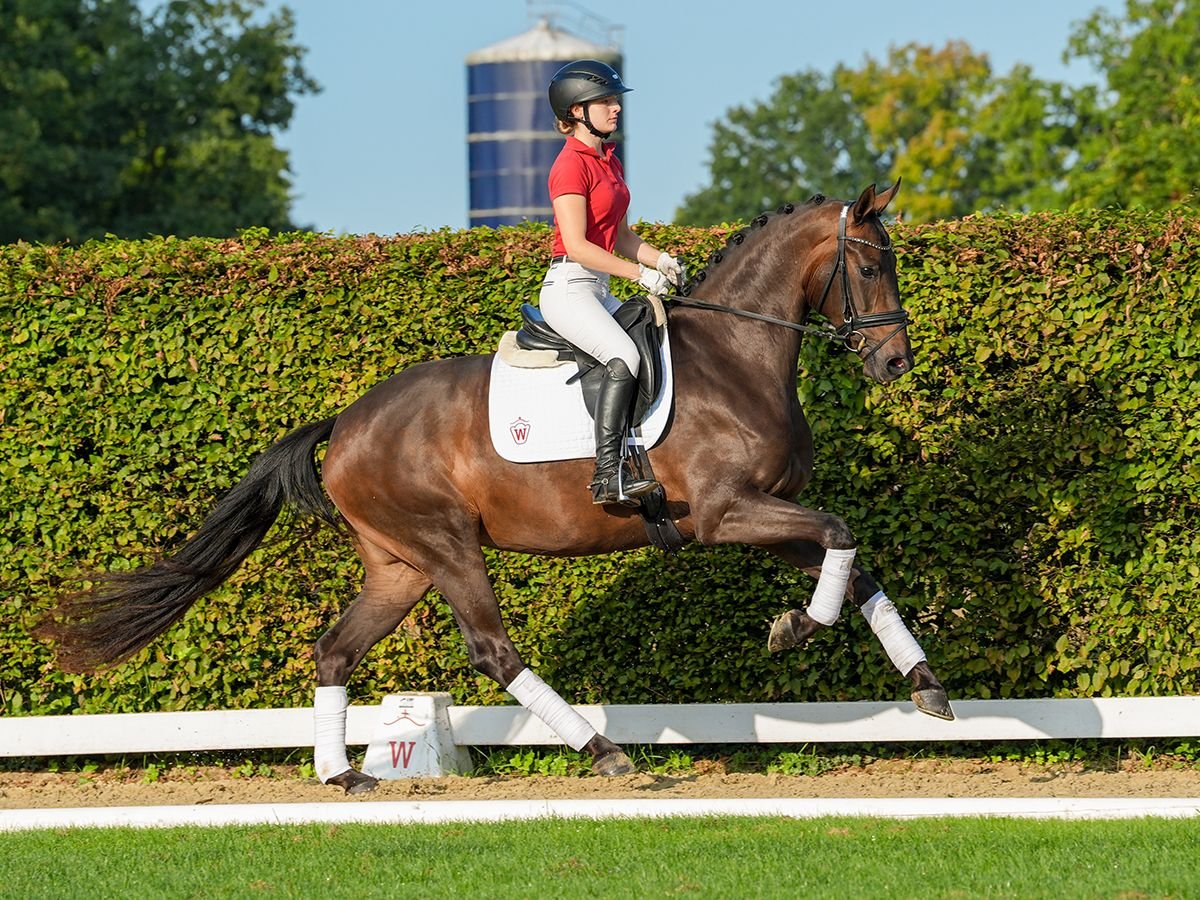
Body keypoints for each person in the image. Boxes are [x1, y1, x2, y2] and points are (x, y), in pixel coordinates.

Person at [540, 59, 683, 505]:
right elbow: (580, 245)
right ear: (577, 110)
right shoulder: (570, 166)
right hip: (570, 287)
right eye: (605, 101)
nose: (616, 107)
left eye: (614, 99)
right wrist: (640, 274)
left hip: (597, 287)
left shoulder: (608, 161)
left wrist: (661, 259)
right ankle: (607, 475)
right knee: (623, 354)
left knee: (657, 342)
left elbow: (619, 235)